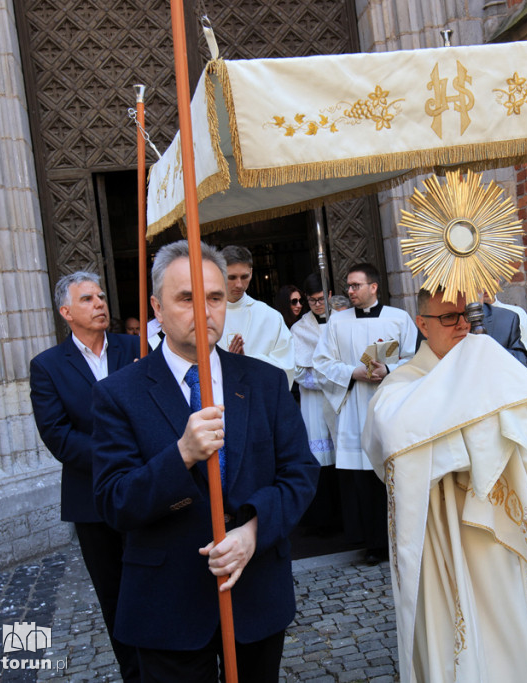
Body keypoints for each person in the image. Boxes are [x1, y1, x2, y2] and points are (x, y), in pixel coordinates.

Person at [91, 241, 319, 681]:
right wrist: (181, 455)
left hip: (254, 594)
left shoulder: (265, 381)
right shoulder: (119, 394)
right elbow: (115, 501)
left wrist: (254, 531)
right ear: (157, 307)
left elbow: (300, 473)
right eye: (186, 298)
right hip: (167, 604)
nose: (205, 310)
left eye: (214, 297)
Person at [363, 288, 527, 683]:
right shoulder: (401, 385)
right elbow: (389, 440)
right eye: (448, 317)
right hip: (445, 542)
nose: (462, 324)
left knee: (514, 631)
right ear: (422, 325)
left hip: (506, 539)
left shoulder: (497, 369)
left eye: (468, 313)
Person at [29, 271, 141, 682]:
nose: (99, 304)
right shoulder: (47, 367)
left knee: (157, 580)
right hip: (92, 499)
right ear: (66, 312)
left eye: (100, 296)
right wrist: (117, 455)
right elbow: (58, 435)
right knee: (114, 595)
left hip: (145, 488)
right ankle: (135, 673)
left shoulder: (137, 348)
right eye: (88, 299)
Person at [312, 263, 417, 564]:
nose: (350, 291)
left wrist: (391, 369)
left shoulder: (399, 318)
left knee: (392, 475)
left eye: (356, 285)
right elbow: (321, 363)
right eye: (348, 286)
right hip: (356, 406)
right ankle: (373, 544)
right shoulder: (337, 322)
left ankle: (402, 538)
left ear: (373, 287)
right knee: (362, 480)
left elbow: (415, 359)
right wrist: (353, 372)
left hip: (390, 405)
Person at [290, 274, 339, 529]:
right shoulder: (299, 329)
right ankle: (324, 522)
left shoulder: (343, 321)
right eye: (312, 300)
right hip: (316, 402)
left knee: (344, 460)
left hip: (343, 400)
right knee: (322, 463)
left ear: (329, 295)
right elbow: (297, 371)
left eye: (321, 299)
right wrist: (332, 378)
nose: (317, 305)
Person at [220, 245, 296, 388]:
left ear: (251, 273)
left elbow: (286, 368)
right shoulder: (207, 316)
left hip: (260, 401)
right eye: (232, 277)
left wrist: (247, 362)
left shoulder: (270, 317)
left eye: (244, 277)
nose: (239, 284)